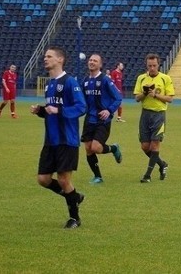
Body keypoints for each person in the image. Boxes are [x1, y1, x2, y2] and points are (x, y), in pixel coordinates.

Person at [31, 47, 87, 228]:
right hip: (50, 139)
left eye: (49, 56)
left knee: (64, 180)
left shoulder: (71, 82)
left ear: (60, 59)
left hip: (67, 140)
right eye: (45, 56)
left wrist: (59, 110)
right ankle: (74, 197)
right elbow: (51, 111)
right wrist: (41, 111)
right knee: (43, 179)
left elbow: (81, 107)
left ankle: (75, 218)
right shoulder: (49, 84)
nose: (45, 59)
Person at [81, 54, 123, 184]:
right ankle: (98, 176)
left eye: (95, 61)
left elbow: (118, 97)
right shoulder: (85, 81)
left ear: (100, 65)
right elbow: (81, 101)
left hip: (102, 120)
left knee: (96, 148)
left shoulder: (105, 80)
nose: (92, 62)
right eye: (91, 60)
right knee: (88, 148)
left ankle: (114, 149)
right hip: (89, 119)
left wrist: (109, 110)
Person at [133, 53, 175, 183]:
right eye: (149, 65)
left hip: (158, 114)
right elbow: (136, 98)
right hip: (145, 114)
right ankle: (162, 164)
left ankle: (147, 175)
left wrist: (156, 96)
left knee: (155, 145)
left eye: (154, 65)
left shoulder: (165, 78)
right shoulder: (141, 78)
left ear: (158, 65)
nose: (152, 68)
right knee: (145, 146)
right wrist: (144, 93)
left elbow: (170, 98)